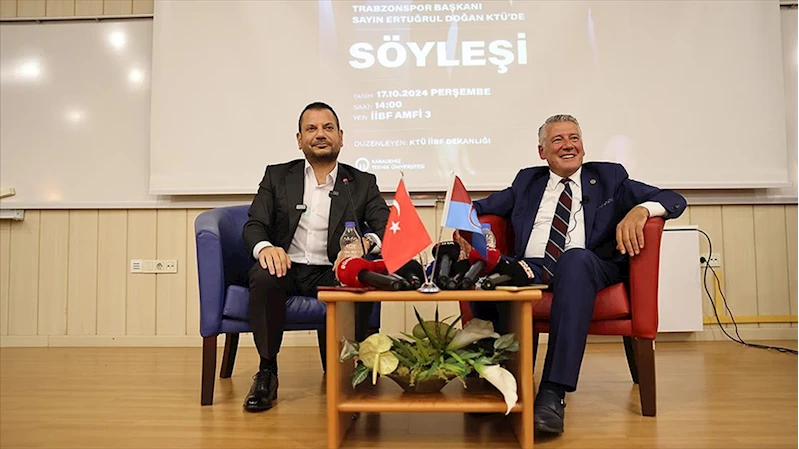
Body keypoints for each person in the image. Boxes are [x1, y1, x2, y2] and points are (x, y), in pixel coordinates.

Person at [468, 114, 686, 434]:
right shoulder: (527, 182)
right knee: (489, 271)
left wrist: (642, 210)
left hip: (589, 266)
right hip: (533, 267)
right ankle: (497, 380)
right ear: (542, 152)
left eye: (574, 138)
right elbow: (479, 206)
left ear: (583, 146)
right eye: (557, 140)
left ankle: (552, 392)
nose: (568, 145)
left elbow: (673, 199)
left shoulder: (609, 177)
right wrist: (465, 226)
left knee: (573, 259)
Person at [242, 102, 389, 413]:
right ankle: (267, 371)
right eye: (311, 129)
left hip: (332, 270)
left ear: (340, 137)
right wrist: (266, 248)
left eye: (328, 128)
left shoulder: (361, 182)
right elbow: (255, 224)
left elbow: (386, 226)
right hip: (287, 267)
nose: (320, 134)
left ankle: (350, 370)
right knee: (263, 275)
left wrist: (365, 242)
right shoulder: (277, 176)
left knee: (361, 277)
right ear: (300, 140)